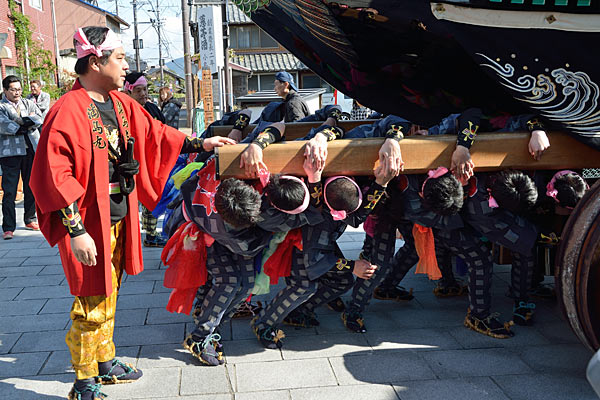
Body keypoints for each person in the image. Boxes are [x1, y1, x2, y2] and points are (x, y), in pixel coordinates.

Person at [29, 26, 234, 400]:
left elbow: (156, 133)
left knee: (110, 292)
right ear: (96, 61)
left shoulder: (119, 103)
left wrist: (201, 143)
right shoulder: (66, 110)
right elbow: (56, 175)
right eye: (120, 58)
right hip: (89, 220)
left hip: (119, 214)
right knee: (91, 300)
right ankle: (84, 381)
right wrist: (76, 231)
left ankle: (105, 360)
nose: (127, 66)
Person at [124, 72, 168, 247]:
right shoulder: (122, 111)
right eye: (138, 90)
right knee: (129, 203)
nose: (143, 94)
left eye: (145, 89)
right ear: (128, 91)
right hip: (129, 164)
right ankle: (130, 237)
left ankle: (150, 235)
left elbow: (164, 131)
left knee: (151, 199)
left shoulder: (152, 109)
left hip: (150, 161)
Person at [0, 75, 43, 240]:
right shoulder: (1, 106)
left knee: (31, 186)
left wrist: (21, 121)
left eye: (19, 89)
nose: (17, 92)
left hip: (30, 149)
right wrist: (25, 123)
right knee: (10, 190)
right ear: (5, 90)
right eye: (13, 89)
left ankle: (30, 219)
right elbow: (3, 125)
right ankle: (8, 227)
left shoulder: (28, 103)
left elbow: (38, 118)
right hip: (9, 152)